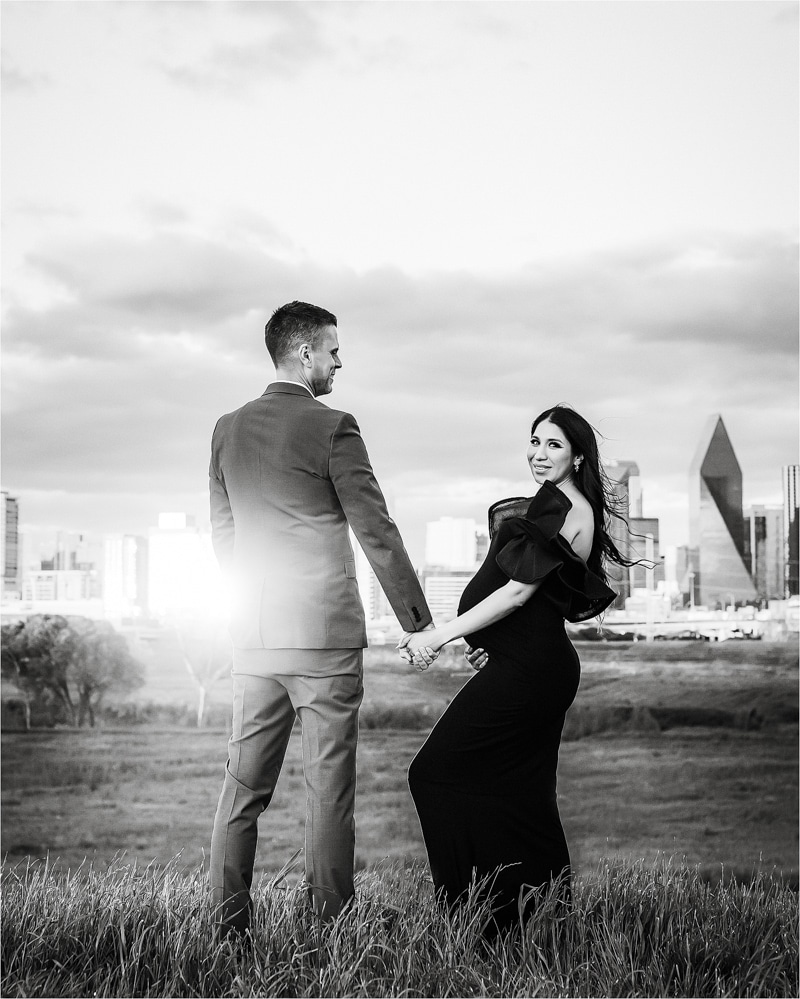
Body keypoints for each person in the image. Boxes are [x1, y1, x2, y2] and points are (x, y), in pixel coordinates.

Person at [209, 301, 433, 935]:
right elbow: (376, 530)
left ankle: (225, 935)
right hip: (324, 641)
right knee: (328, 791)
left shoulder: (226, 428)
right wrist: (417, 624)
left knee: (241, 791)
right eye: (333, 349)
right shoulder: (334, 426)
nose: (341, 360)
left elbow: (223, 535)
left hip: (253, 639)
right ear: (304, 353)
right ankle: (329, 936)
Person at [400, 405, 633, 937]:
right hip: (526, 665)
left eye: (553, 444)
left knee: (433, 774)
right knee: (522, 796)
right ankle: (534, 919)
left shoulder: (566, 510)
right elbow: (537, 601)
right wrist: (492, 646)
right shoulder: (554, 505)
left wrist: (440, 634)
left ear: (577, 456)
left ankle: (476, 918)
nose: (538, 453)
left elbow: (518, 592)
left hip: (534, 672)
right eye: (534, 441)